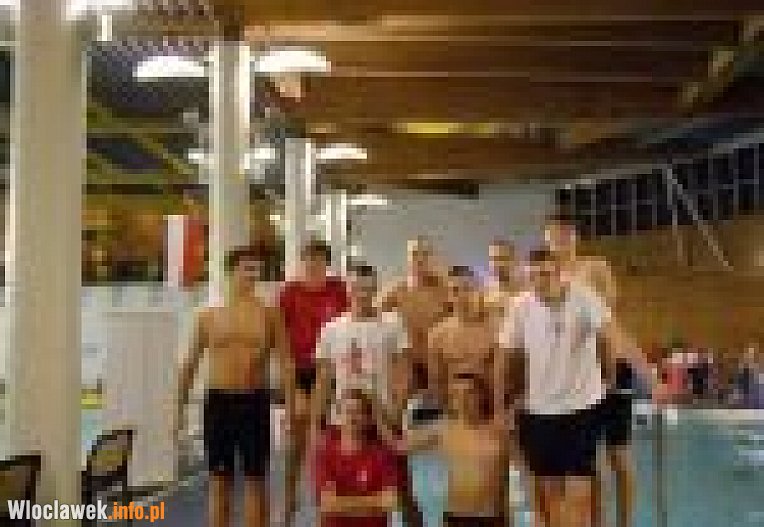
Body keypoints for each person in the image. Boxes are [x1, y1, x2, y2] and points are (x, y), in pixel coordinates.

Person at [544, 215, 657, 527]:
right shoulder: (545, 276)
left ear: (575, 237)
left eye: (564, 234)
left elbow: (608, 310)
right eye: (552, 236)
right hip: (576, 374)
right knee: (588, 458)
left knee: (619, 455)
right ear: (546, 240)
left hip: (612, 365)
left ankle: (625, 523)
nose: (558, 241)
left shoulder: (595, 267)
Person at [174, 245, 295, 527]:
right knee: (219, 479)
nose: (253, 275)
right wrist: (179, 411)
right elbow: (189, 365)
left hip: (254, 402)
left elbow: (286, 363)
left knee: (256, 479)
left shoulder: (269, 314)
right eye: (247, 269)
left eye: (257, 270)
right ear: (231, 271)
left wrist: (289, 410)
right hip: (218, 403)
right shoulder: (208, 316)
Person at [497, 248, 616, 527]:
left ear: (559, 273)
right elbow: (504, 358)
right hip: (540, 412)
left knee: (579, 496)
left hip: (581, 409)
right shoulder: (520, 306)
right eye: (534, 276)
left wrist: (615, 378)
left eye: (546, 274)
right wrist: (501, 407)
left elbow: (611, 339)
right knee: (550, 497)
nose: (540, 281)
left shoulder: (584, 296)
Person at [279, 238, 349, 522]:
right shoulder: (289, 293)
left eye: (318, 260)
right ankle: (289, 496)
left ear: (326, 264)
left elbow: (348, 327)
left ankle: (327, 497)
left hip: (330, 371)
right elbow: (282, 343)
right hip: (301, 372)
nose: (313, 265)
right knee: (297, 437)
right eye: (308, 259)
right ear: (302, 262)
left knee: (328, 437)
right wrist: (293, 388)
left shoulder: (338, 290)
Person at [402, 374, 515, 527]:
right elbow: (400, 446)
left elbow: (506, 483)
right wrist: (380, 408)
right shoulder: (443, 429)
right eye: (456, 394)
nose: (462, 400)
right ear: (451, 400)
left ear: (481, 396)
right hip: (457, 517)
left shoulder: (498, 433)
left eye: (468, 393)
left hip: (491, 518)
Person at [311, 263, 409, 438]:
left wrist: (397, 414)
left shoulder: (393, 325)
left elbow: (402, 375)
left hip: (383, 418)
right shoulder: (331, 329)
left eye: (367, 288)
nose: (362, 294)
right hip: (343, 420)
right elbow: (323, 380)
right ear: (348, 289)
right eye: (357, 288)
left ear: (375, 289)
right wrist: (315, 423)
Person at [379, 236, 451, 407]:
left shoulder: (446, 290)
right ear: (408, 258)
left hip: (438, 363)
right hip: (407, 365)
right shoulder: (396, 291)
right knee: (405, 410)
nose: (420, 259)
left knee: (440, 410)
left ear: (432, 258)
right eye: (415, 254)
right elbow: (371, 317)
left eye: (425, 254)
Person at [313, 389, 401, 527]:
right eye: (348, 411)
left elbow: (391, 501)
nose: (352, 418)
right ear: (338, 417)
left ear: (368, 419)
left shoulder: (382, 453)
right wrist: (374, 503)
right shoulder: (325, 452)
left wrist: (342, 503)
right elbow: (328, 504)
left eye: (358, 412)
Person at [429, 265, 498, 407]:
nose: (462, 296)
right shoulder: (437, 335)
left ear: (478, 291)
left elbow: (504, 378)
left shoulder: (496, 329)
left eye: (467, 288)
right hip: (456, 407)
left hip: (490, 404)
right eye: (455, 290)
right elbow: (438, 383)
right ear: (448, 296)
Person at [485, 239, 525, 325]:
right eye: (494, 259)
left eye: (503, 259)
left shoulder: (528, 293)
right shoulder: (486, 295)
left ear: (515, 260)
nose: (498, 264)